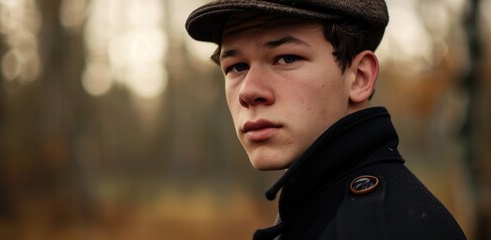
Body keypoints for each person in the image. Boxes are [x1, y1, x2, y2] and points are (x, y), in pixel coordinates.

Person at [185, 0, 467, 239]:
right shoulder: (324, 208)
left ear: (359, 77)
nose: (248, 91)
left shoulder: (385, 228)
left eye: (286, 58)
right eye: (237, 66)